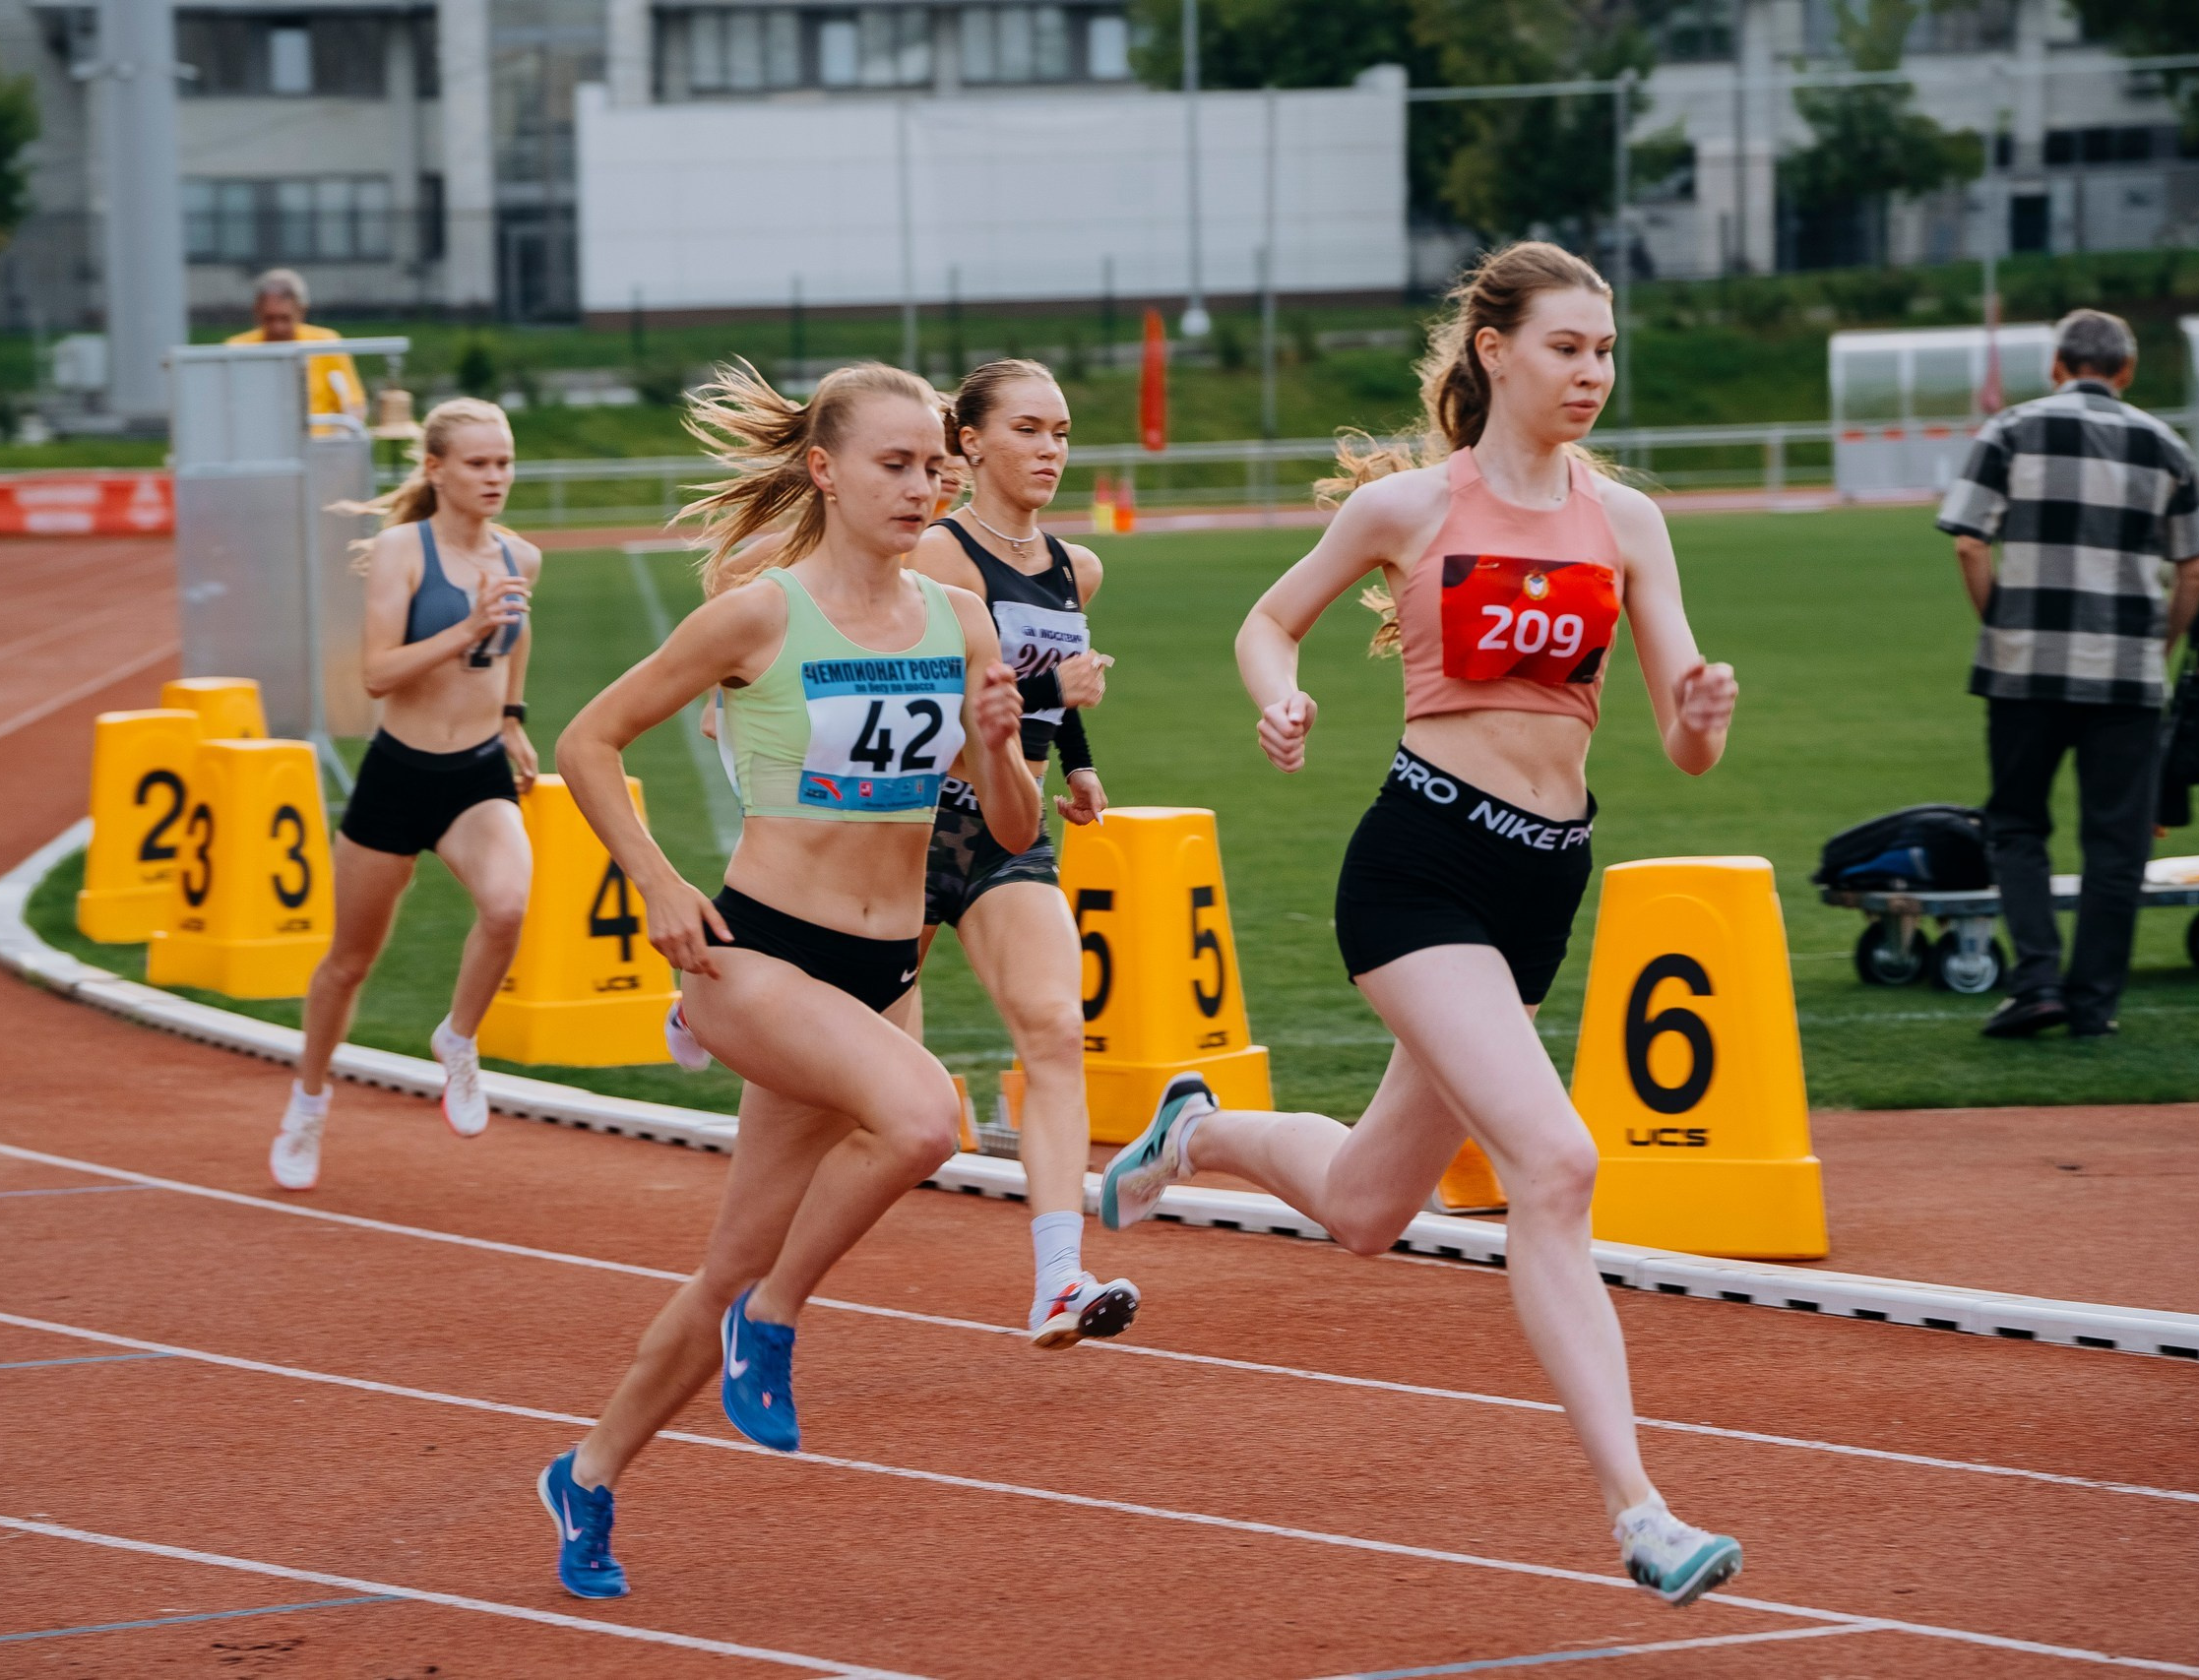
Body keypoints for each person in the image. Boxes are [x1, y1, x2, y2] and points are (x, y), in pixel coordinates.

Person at [1096, 242, 1747, 1607]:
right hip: (1420, 869)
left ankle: (1192, 1129)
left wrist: (1695, 718)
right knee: (1554, 1163)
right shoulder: (1409, 507)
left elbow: (1685, 741)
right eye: (1569, 347)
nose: (1594, 373)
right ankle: (1640, 1509)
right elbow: (1268, 621)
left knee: (1365, 1207)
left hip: (1542, 881)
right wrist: (1280, 695)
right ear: (1496, 350)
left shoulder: (1628, 524)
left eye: (1607, 350)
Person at [539, 361, 1036, 1598]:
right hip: (755, 951)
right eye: (895, 464)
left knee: (724, 1259)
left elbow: (1014, 831)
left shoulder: (957, 621)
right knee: (927, 1120)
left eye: (935, 466)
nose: (924, 486)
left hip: (882, 967)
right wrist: (656, 882)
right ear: (824, 470)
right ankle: (774, 1326)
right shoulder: (760, 616)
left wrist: (1000, 742)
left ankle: (587, 1477)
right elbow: (585, 741)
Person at [906, 357, 1133, 1348]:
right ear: (971, 444)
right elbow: (962, 711)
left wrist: (1076, 758)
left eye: (1062, 432)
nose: (1050, 451)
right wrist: (1059, 701)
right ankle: (733, 967)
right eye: (1029, 430)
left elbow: (1048, 671)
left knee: (1052, 1027)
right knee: (873, 1082)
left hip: (1008, 824)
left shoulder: (1077, 566)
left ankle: (1057, 1281)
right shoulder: (937, 559)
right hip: (904, 828)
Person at [266, 398, 538, 1191]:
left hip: (478, 773)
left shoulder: (523, 556)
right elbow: (377, 674)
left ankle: (458, 1039)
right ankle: (309, 1102)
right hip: (400, 772)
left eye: (505, 462)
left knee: (509, 906)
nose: (496, 477)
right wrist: (468, 627)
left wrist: (514, 717)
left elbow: (520, 637)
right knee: (348, 963)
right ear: (436, 469)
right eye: (479, 464)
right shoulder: (401, 551)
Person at [1936, 308, 2199, 1039]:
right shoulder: (2166, 445)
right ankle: (2094, 1004)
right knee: (2117, 844)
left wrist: (1999, 620)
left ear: (2057, 365)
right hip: (2125, 674)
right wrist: (2163, 639)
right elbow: (2197, 564)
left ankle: (2036, 982)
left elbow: (1969, 541)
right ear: (2126, 371)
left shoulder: (2009, 431)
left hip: (2024, 667)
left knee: (2017, 825)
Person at [227, 268, 367, 421]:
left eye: (284, 318)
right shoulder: (237, 349)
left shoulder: (325, 344)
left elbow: (354, 404)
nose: (277, 327)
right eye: (269, 318)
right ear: (257, 312)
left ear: (301, 311)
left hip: (317, 440)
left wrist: (341, 434)